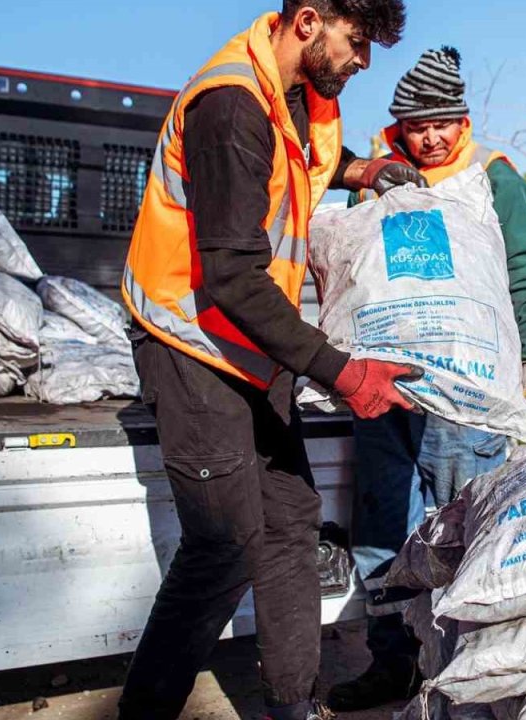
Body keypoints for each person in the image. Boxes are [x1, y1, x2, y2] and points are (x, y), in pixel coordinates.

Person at [117, 3, 427, 719]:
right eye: (359, 42)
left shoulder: (301, 98)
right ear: (311, 22)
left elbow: (312, 168)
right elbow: (229, 277)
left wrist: (367, 170)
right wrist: (342, 371)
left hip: (254, 344)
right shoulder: (229, 106)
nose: (364, 61)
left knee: (292, 521)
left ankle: (292, 706)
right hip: (191, 341)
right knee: (221, 546)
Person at [327, 46, 526, 712]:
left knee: (466, 533)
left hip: (465, 397)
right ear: (399, 125)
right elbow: (349, 267)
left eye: (442, 124)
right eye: (416, 125)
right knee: (381, 532)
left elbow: (524, 268)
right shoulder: (375, 174)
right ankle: (392, 663)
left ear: (464, 122)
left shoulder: (494, 178)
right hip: (385, 386)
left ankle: (470, 678)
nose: (429, 138)